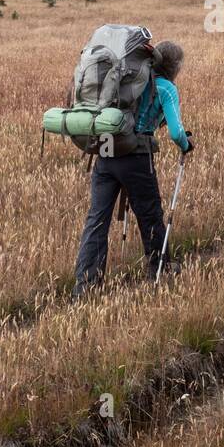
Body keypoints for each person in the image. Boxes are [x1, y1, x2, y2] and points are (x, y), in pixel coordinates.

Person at [72, 40, 191, 298]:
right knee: (149, 214)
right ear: (175, 66)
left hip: (105, 150)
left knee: (97, 219)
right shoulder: (166, 88)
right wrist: (186, 144)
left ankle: (85, 286)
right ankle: (161, 269)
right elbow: (175, 132)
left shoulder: (127, 81)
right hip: (136, 157)